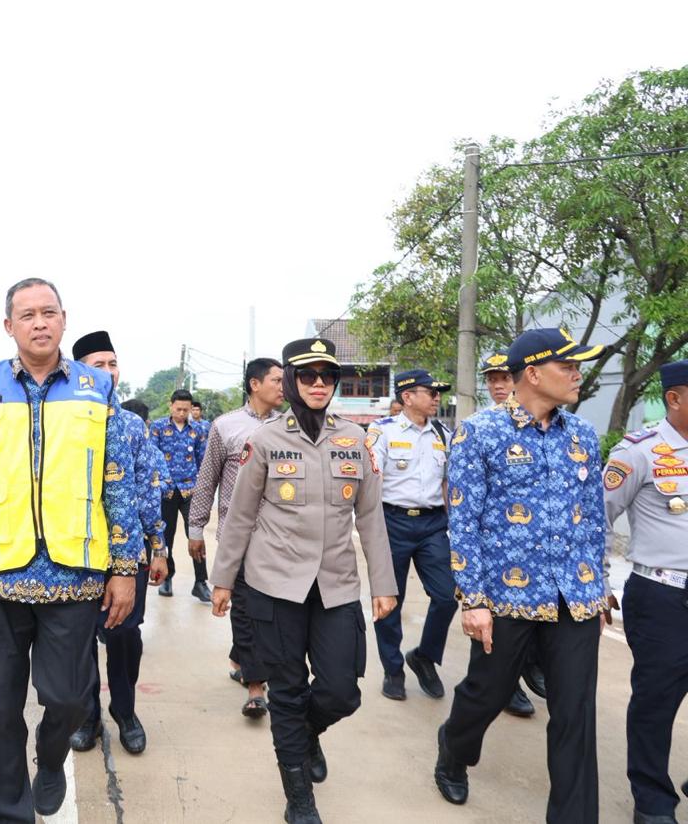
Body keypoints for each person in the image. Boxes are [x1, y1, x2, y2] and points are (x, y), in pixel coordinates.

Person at [0, 278, 142, 823]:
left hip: (75, 572)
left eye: (49, 313)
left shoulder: (98, 388)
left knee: (68, 698)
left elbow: (118, 483)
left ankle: (50, 757)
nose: (39, 323)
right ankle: (9, 810)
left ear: (64, 320)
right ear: (9, 327)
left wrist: (125, 566)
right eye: (27, 315)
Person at [210, 338, 397, 824]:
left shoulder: (354, 439)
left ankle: (306, 735)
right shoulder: (267, 440)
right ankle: (299, 798)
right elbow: (240, 517)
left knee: (342, 692)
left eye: (328, 376)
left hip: (335, 585)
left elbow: (371, 518)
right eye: (309, 375)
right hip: (275, 587)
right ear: (292, 381)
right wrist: (224, 579)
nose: (319, 384)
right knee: (288, 693)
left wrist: (384, 584)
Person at [433, 327, 607, 823]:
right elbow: (462, 521)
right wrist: (473, 600)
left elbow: (594, 519)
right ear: (532, 373)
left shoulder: (582, 436)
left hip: (573, 596)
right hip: (505, 596)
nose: (577, 375)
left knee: (575, 716)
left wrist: (599, 592)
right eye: (567, 366)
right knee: (485, 694)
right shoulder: (480, 432)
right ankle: (454, 749)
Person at [69, 330, 169, 755]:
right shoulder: (65, 421)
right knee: (78, 639)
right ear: (79, 373)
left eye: (113, 364)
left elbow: (149, 486)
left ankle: (125, 711)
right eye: (98, 365)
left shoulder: (132, 425)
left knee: (125, 635)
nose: (109, 372)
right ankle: (87, 715)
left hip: (127, 554)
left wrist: (158, 545)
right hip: (75, 551)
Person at [603, 359, 688, 824]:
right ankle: (653, 802)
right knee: (656, 702)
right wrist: (595, 581)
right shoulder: (639, 452)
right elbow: (599, 515)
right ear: (673, 399)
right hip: (663, 598)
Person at [189, 356, 283, 720]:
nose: (283, 387)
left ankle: (240, 656)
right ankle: (256, 688)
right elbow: (207, 479)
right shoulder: (225, 426)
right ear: (254, 384)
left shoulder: (292, 426)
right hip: (237, 536)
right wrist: (195, 529)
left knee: (272, 611)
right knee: (244, 610)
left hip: (280, 538)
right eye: (276, 380)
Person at [366, 370, 457, 703]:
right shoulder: (383, 432)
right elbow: (371, 482)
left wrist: (454, 524)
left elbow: (448, 484)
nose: (437, 397)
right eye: (430, 392)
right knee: (390, 599)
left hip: (433, 523)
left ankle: (424, 656)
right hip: (393, 522)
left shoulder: (444, 434)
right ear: (407, 397)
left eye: (438, 393)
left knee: (447, 595)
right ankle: (393, 669)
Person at [480, 350, 543, 715]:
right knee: (497, 635)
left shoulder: (549, 424)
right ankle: (507, 688)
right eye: (491, 379)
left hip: (536, 545)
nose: (498, 385)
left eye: (504, 377)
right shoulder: (480, 427)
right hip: (498, 551)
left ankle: (525, 669)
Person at [150, 388, 210, 602]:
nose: (182, 413)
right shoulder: (157, 427)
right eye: (179, 409)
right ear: (171, 405)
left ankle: (201, 582)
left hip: (190, 490)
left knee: (196, 535)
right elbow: (153, 458)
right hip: (166, 491)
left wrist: (204, 489)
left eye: (186, 410)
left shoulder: (199, 429)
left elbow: (203, 460)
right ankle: (167, 577)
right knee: (166, 537)